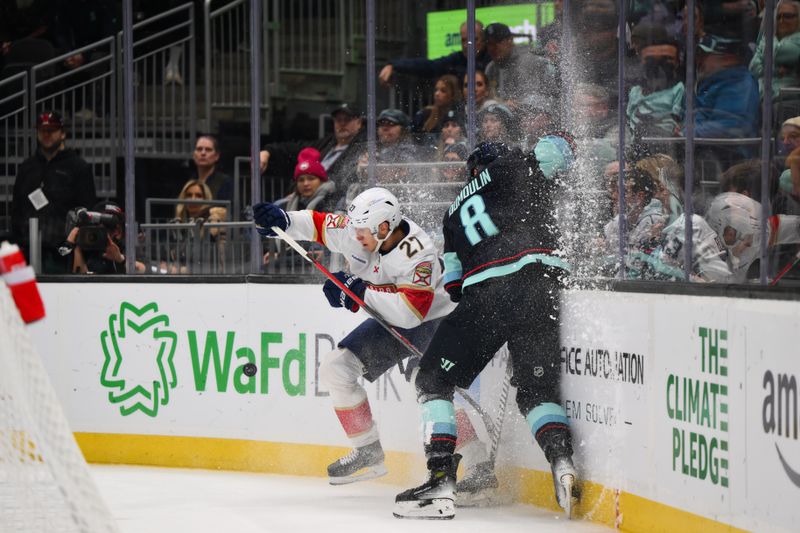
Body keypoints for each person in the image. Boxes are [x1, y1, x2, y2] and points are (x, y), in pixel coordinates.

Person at [393, 136, 578, 520]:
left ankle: (441, 480)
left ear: (472, 169)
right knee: (535, 390)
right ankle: (561, 462)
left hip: (489, 290)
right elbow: (557, 153)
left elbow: (455, 285)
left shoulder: (452, 212)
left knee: (432, 380)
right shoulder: (516, 165)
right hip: (544, 284)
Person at [251, 187, 456, 485]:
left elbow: (411, 313)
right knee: (336, 369)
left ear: (385, 227)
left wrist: (356, 293)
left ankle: (477, 463)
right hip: (395, 316)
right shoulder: (358, 229)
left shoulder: (417, 252)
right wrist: (284, 221)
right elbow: (319, 225)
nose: (355, 236)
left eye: (362, 231)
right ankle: (367, 452)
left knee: (426, 383)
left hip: (435, 318)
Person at [10, 111, 96, 273]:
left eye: (52, 130)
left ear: (62, 133)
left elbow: (87, 211)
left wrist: (79, 251)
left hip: (62, 251)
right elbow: (17, 209)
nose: (46, 134)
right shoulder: (27, 168)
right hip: (28, 249)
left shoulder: (78, 167)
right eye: (42, 130)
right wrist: (17, 246)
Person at [259, 103, 365, 207]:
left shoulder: (363, 149)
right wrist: (267, 152)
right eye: (338, 120)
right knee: (276, 208)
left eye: (347, 119)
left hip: (328, 204)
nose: (342, 124)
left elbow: (347, 181)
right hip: (302, 197)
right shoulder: (325, 143)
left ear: (359, 122)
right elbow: (292, 148)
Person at [378, 21, 489, 86]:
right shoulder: (456, 60)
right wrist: (394, 65)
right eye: (463, 40)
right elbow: (428, 66)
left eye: (474, 39)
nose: (467, 45)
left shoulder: (492, 59)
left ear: (484, 41)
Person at [626, 28, 684, 139]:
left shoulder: (680, 90)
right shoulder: (634, 91)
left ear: (677, 63)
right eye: (650, 60)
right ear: (641, 62)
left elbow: (681, 121)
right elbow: (627, 121)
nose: (658, 65)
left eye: (666, 59)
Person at [483, 22, 559, 107]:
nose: (493, 47)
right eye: (489, 43)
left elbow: (536, 98)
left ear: (510, 40)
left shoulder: (529, 61)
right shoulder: (490, 69)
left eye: (498, 42)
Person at [60, 201, 145, 274]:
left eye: (116, 227)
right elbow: (80, 279)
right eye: (105, 226)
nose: (115, 231)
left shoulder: (124, 249)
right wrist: (76, 242)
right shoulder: (85, 248)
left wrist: (120, 259)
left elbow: (143, 269)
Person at [749, 0, 800, 100]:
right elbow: (753, 68)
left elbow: (777, 55)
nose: (781, 21)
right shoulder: (769, 39)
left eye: (788, 16)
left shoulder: (798, 39)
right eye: (778, 17)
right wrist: (776, 71)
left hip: (788, 101)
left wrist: (766, 46)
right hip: (761, 100)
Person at [190, 135, 233, 202]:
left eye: (208, 150)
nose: (203, 153)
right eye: (199, 149)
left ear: (217, 156)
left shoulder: (225, 182)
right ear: (194, 155)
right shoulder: (190, 181)